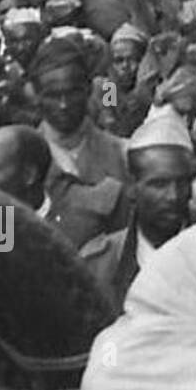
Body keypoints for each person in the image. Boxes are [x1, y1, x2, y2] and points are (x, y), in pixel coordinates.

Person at [78, 111, 196, 311]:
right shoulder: (100, 264)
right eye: (159, 184)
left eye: (183, 182)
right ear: (132, 188)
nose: (174, 196)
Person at [31, 38, 130, 249]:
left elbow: (112, 111)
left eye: (72, 92)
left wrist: (109, 118)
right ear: (37, 97)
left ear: (87, 89)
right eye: (53, 95)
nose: (64, 105)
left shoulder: (107, 86)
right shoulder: (18, 159)